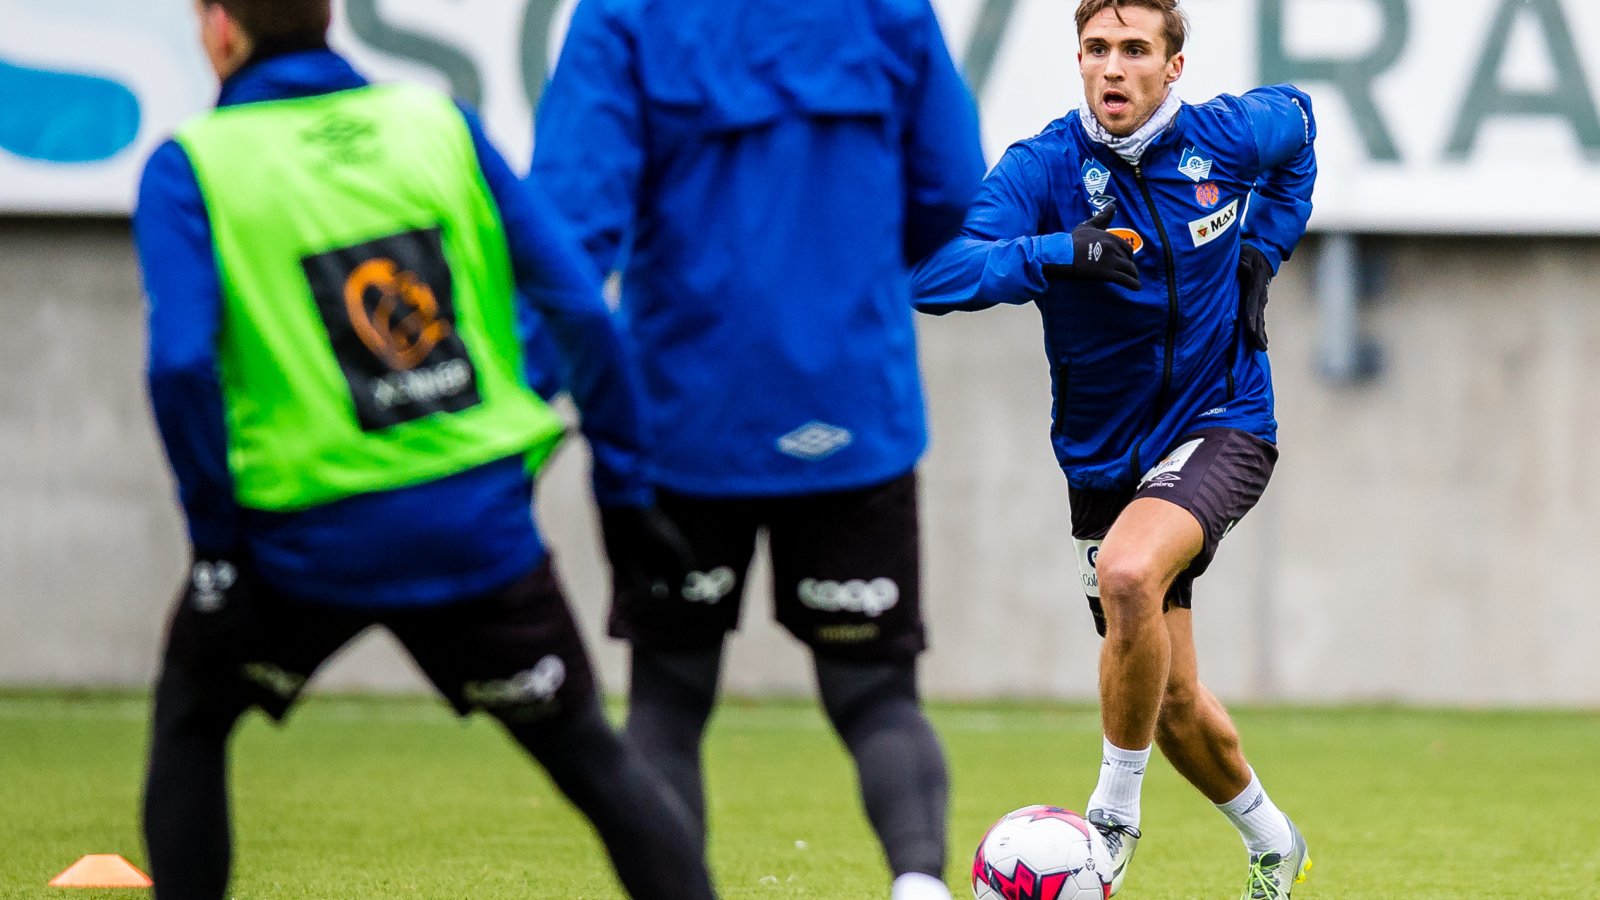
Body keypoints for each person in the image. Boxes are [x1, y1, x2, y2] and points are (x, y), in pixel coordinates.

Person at [134, 2, 716, 898]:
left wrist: (215, 542)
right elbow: (583, 312)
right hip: (473, 530)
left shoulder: (192, 166)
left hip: (301, 546)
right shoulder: (438, 124)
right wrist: (625, 492)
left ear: (220, 29)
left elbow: (181, 365)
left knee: (192, 723)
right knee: (592, 759)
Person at [530, 1, 985, 896]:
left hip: (688, 424)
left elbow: (574, 224)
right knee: (877, 695)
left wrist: (524, 389)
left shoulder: (626, 14)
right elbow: (953, 193)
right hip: (852, 413)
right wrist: (849, 268)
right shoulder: (888, 8)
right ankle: (919, 884)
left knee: (668, 696)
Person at [912, 1, 1315, 897]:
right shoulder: (1044, 168)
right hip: (1103, 462)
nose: (1113, 67)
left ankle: (1111, 817)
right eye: (1097, 48)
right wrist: (1058, 252)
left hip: (1223, 419)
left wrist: (1264, 247)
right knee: (1169, 699)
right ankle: (1274, 841)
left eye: (1135, 49)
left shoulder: (1226, 138)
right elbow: (931, 273)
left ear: (1173, 68)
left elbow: (1300, 123)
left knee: (1130, 573)